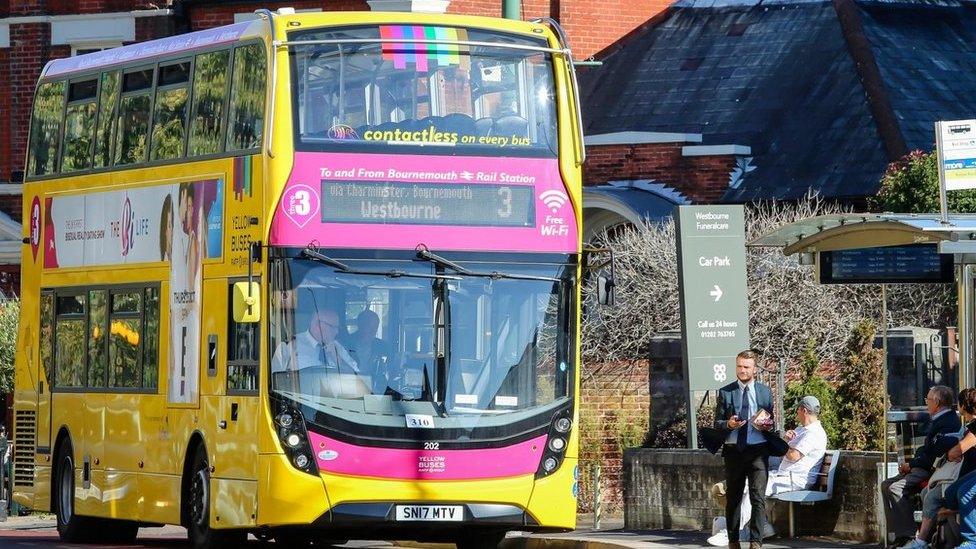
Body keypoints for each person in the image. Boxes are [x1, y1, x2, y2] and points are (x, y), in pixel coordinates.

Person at [708, 395, 828, 546]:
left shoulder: (813, 433)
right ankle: (759, 526)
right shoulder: (802, 430)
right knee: (748, 484)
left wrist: (778, 442)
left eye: (798, 409)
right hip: (783, 475)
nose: (797, 412)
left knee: (753, 487)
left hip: (795, 479)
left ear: (804, 410)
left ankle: (731, 532)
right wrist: (785, 440)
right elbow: (788, 450)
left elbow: (793, 455)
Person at [712, 349, 776, 549]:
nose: (742, 371)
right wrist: (729, 424)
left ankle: (756, 543)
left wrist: (767, 424)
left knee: (758, 498)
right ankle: (733, 541)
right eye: (739, 366)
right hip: (734, 451)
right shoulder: (726, 391)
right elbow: (717, 423)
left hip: (758, 451)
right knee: (734, 498)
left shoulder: (764, 392)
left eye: (746, 367)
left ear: (754, 369)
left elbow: (771, 420)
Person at [882, 385, 961, 545]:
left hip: (931, 469)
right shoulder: (939, 419)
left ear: (937, 402)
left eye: (928, 400)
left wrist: (910, 466)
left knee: (895, 488)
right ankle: (896, 533)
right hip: (922, 465)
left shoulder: (947, 422)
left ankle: (908, 535)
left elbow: (933, 454)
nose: (926, 403)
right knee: (885, 484)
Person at [902, 388, 974, 548]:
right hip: (956, 472)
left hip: (958, 472)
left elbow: (954, 452)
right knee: (938, 493)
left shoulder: (961, 425)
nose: (926, 402)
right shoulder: (963, 425)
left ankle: (922, 540)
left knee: (950, 494)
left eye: (928, 399)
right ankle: (931, 538)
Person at [271, 309, 359, 375]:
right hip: (300, 398)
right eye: (333, 327)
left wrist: (337, 358)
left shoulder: (337, 347)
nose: (337, 332)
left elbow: (357, 376)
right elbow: (275, 382)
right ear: (318, 325)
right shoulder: (289, 346)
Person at [343, 309, 393, 389]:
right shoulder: (345, 344)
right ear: (360, 325)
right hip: (349, 388)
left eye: (375, 328)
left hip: (375, 392)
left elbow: (390, 372)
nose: (372, 331)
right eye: (369, 327)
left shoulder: (384, 347)